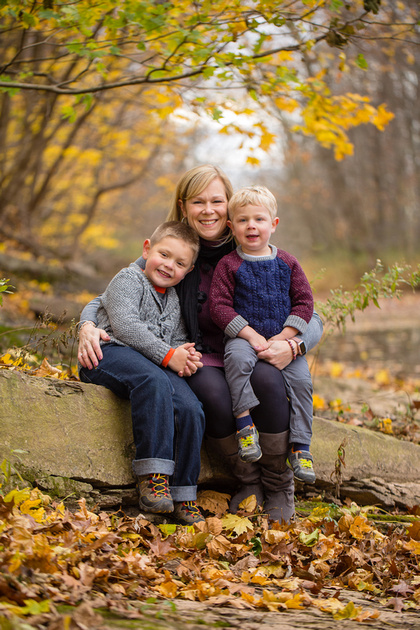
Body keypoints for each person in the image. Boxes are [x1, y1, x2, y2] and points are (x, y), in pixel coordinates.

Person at [78, 164, 324, 524]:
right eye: (198, 202)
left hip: (252, 350)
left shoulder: (252, 246)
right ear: (183, 206)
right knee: (212, 395)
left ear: (230, 207)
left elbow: (312, 314)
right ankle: (247, 480)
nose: (208, 210)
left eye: (217, 201)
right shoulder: (173, 250)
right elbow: (113, 296)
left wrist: (295, 346)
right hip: (200, 356)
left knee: (270, 381)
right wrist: (86, 323)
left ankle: (279, 483)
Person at [79, 221, 206, 525]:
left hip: (149, 363)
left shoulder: (172, 299)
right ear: (147, 249)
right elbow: (125, 326)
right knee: (153, 380)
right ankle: (153, 478)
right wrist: (168, 355)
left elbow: (175, 339)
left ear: (187, 271)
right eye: (164, 255)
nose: (169, 266)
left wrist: (184, 355)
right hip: (108, 354)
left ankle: (184, 494)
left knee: (192, 408)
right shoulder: (128, 279)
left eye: (179, 263)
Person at [209, 186, 316, 484]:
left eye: (259, 219)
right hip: (243, 339)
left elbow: (305, 302)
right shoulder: (229, 265)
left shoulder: (288, 263)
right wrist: (250, 335)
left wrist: (286, 336)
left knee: (302, 382)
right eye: (243, 220)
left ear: (274, 224)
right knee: (236, 363)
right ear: (231, 226)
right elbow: (219, 306)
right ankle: (244, 425)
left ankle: (300, 446)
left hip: (282, 340)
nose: (251, 226)